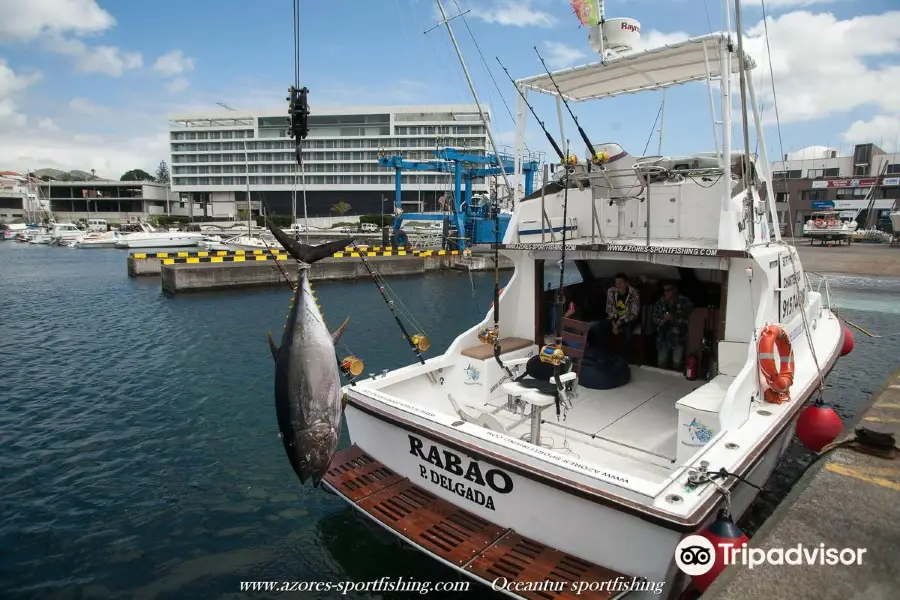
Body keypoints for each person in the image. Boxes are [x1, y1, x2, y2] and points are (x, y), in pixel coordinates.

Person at [591, 273, 640, 358]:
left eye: (620, 283)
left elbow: (633, 314)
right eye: (616, 283)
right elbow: (609, 308)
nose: (618, 285)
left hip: (628, 319)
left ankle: (623, 358)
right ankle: (601, 355)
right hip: (614, 318)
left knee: (627, 333)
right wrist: (614, 323)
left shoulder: (633, 294)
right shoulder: (611, 291)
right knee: (599, 327)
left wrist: (618, 324)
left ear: (627, 283)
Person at [652, 281, 693, 371]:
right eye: (664, 290)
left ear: (676, 289)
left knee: (677, 363)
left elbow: (690, 321)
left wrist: (674, 320)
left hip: (679, 337)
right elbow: (654, 319)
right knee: (661, 363)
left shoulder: (685, 302)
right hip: (663, 338)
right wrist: (663, 320)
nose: (666, 292)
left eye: (669, 290)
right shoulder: (660, 303)